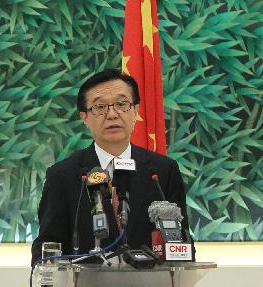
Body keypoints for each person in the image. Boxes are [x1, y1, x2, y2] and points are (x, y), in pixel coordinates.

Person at [31, 68, 191, 265]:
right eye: (100, 107)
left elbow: (182, 241)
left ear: (136, 111)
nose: (112, 114)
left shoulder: (162, 171)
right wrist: (50, 268)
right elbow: (48, 244)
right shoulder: (63, 175)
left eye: (122, 104)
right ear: (85, 118)